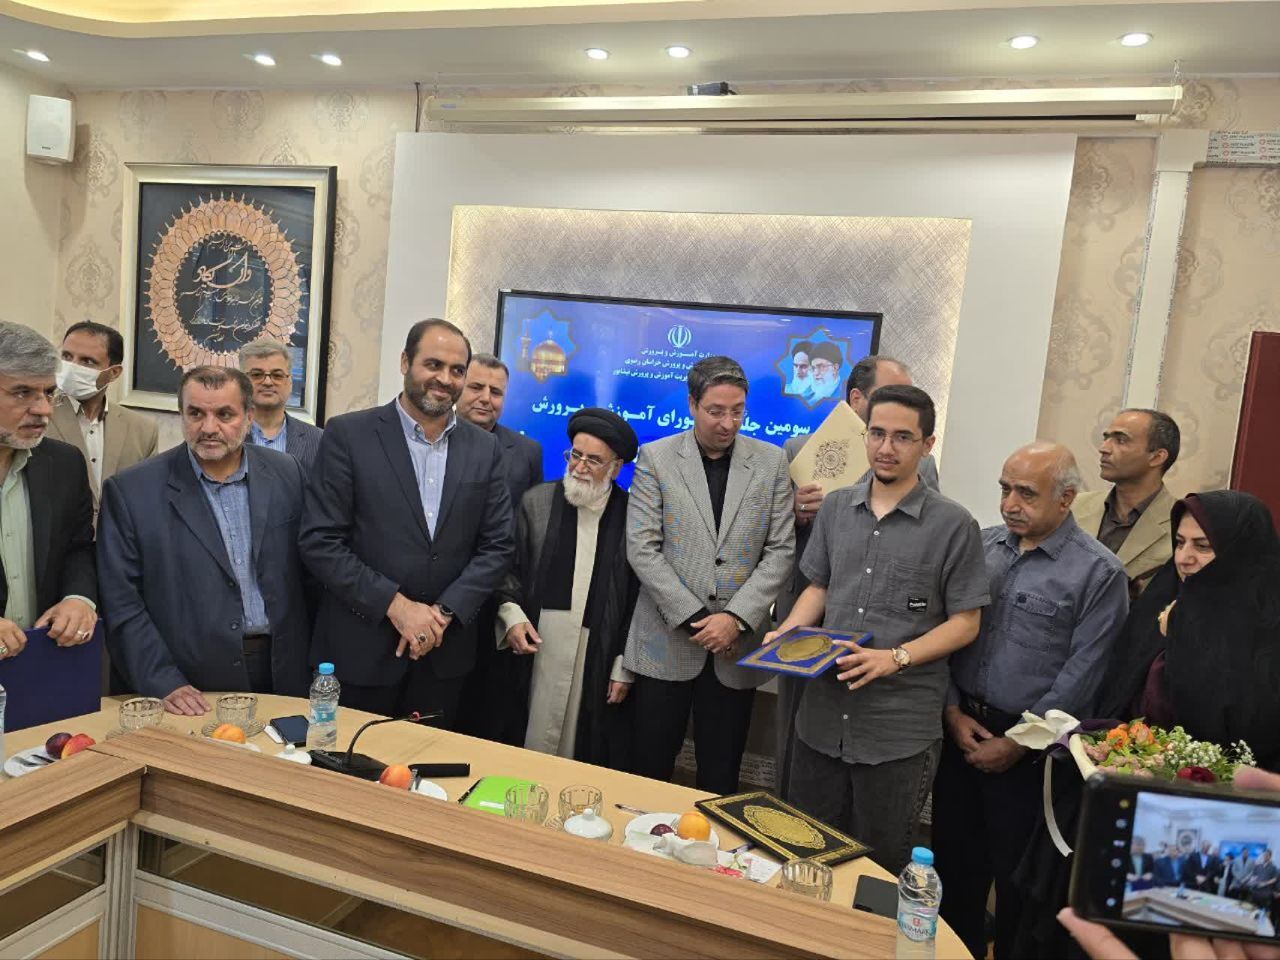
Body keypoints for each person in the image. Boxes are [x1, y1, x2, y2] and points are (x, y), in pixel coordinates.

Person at [768, 384, 989, 876]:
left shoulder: (954, 525)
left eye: (903, 437)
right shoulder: (835, 507)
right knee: (804, 855)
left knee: (878, 867)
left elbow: (966, 622)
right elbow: (819, 586)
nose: (886, 448)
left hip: (897, 732)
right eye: (877, 434)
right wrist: (788, 632)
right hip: (820, 720)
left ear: (927, 445)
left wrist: (896, 658)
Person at [934, 441, 1129, 960]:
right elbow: (947, 631)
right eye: (1005, 489)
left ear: (1065, 498)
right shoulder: (980, 546)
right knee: (953, 870)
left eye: (1026, 493)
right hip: (960, 732)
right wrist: (951, 711)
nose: (1009, 504)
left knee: (1018, 888)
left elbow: (1083, 674)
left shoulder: (1099, 573)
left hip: (1033, 757)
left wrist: (1019, 742)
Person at [299, 319, 514, 727]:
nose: (444, 379)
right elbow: (320, 542)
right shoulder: (349, 435)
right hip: (360, 652)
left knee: (430, 766)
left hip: (443, 658)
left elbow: (498, 545)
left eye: (456, 370)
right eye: (433, 364)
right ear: (405, 362)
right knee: (346, 763)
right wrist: (396, 606)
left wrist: (442, 614)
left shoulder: (485, 449)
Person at [624, 355, 794, 794]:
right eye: (716, 411)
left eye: (737, 411)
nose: (728, 423)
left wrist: (734, 619)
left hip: (734, 649)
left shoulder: (771, 462)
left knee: (721, 774)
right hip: (665, 641)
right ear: (692, 404)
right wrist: (701, 621)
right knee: (650, 768)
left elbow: (780, 551)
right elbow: (642, 548)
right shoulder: (657, 458)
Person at [97, 367, 311, 713]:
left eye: (225, 414)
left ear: (249, 416)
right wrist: (163, 680)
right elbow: (121, 600)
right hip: (187, 684)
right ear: (181, 414)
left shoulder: (287, 472)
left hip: (283, 670)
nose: (209, 428)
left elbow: (309, 573)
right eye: (196, 414)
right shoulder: (131, 491)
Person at [775, 354, 939, 798]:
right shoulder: (797, 449)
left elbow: (926, 537)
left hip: (887, 622)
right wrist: (796, 513)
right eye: (887, 397)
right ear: (857, 399)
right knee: (801, 729)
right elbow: (774, 534)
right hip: (812, 602)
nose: (888, 445)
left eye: (902, 434)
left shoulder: (926, 473)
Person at [1096, 490, 1280, 771]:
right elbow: (1118, 695)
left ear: (1240, 553)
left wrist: (1182, 635)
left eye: (1203, 546)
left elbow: (1235, 728)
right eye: (1179, 543)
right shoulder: (1163, 601)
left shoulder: (1265, 632)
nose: (1184, 558)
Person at [495, 408, 639, 766]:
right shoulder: (537, 502)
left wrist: (624, 663)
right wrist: (511, 616)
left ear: (616, 468)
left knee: (582, 750)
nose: (579, 467)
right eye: (575, 455)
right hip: (536, 645)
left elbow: (638, 598)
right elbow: (506, 567)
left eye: (594, 460)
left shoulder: (633, 516)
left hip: (599, 652)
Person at [1058, 767, 1280, 960]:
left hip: (1209, 887)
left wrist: (1207, 877)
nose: (1205, 848)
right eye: (1203, 846)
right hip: (1169, 888)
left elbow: (1214, 869)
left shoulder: (1216, 859)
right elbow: (1182, 872)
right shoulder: (1179, 858)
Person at [454, 353, 544, 744]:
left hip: (498, 600)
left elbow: (530, 530)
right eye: (476, 387)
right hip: (439, 596)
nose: (485, 398)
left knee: (489, 710)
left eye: (496, 392)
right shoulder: (433, 440)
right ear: (459, 386)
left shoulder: (527, 452)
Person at [0, 322, 98, 662]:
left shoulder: (64, 464)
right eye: (22, 393)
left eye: (49, 393)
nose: (43, 409)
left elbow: (78, 548)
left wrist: (79, 598)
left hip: (42, 660)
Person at [48, 321, 159, 514]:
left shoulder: (143, 430)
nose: (72, 367)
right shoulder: (39, 418)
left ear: (113, 373)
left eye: (87, 361)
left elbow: (147, 498)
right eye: (67, 357)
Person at [1072, 409, 1180, 597]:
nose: (1104, 448)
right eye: (1106, 438)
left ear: (1157, 457)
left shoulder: (1181, 523)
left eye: (1121, 440)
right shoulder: (1074, 507)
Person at [238, 341, 323, 471]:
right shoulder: (225, 433)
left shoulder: (319, 439)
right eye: (256, 375)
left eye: (277, 375)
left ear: (290, 383)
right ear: (241, 382)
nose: (267, 382)